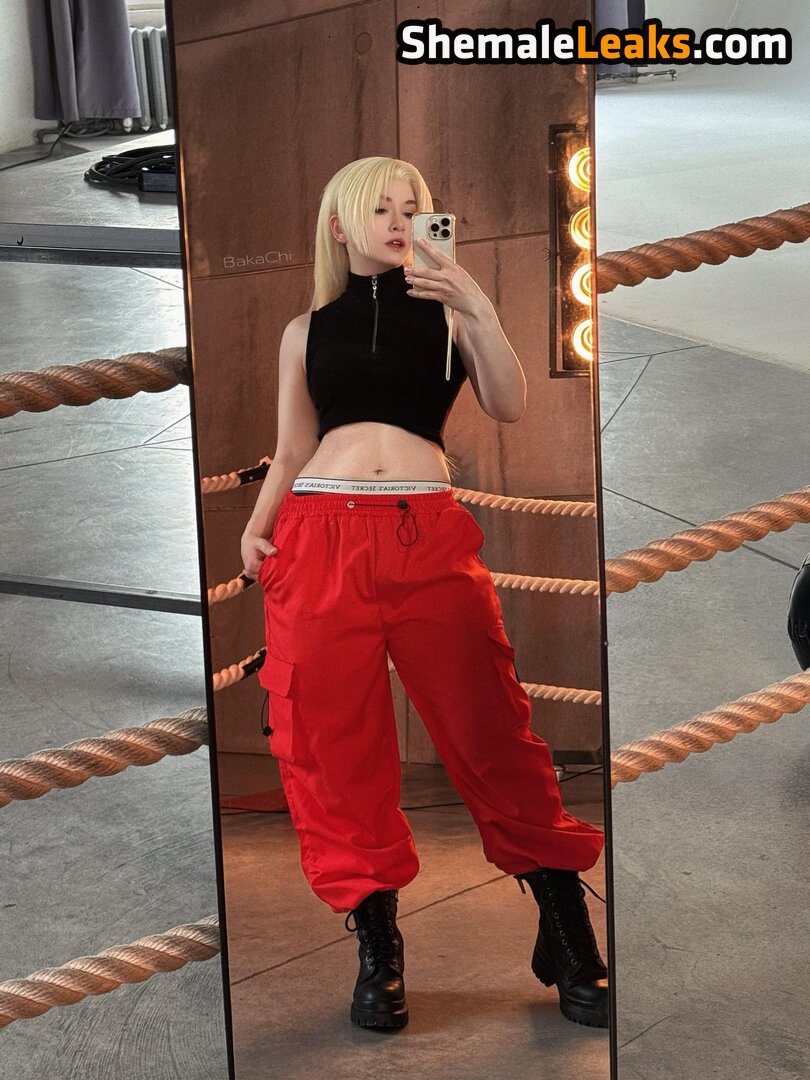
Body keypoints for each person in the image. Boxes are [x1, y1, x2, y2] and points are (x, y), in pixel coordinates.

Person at [240, 156, 608, 1031]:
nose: (402, 221)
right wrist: (257, 527)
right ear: (341, 224)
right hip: (317, 535)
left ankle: (568, 930)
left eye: (415, 208)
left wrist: (475, 303)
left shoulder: (448, 313)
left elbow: (508, 403)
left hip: (425, 531)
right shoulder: (305, 330)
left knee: (491, 728)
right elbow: (291, 450)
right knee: (331, 746)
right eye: (383, 209)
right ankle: (380, 952)